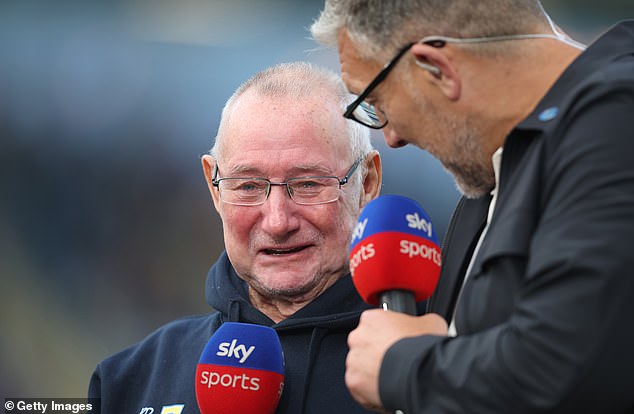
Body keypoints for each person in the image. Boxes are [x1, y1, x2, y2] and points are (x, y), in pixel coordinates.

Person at [311, 1, 634, 413]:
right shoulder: (490, 174)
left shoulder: (616, 120)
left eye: (379, 103)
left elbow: (572, 366)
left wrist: (402, 365)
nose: (391, 139)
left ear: (436, 68)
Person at [88, 61, 382, 414]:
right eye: (248, 186)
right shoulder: (128, 381)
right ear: (214, 188)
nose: (277, 222)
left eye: (307, 184)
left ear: (367, 183)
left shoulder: (430, 366)